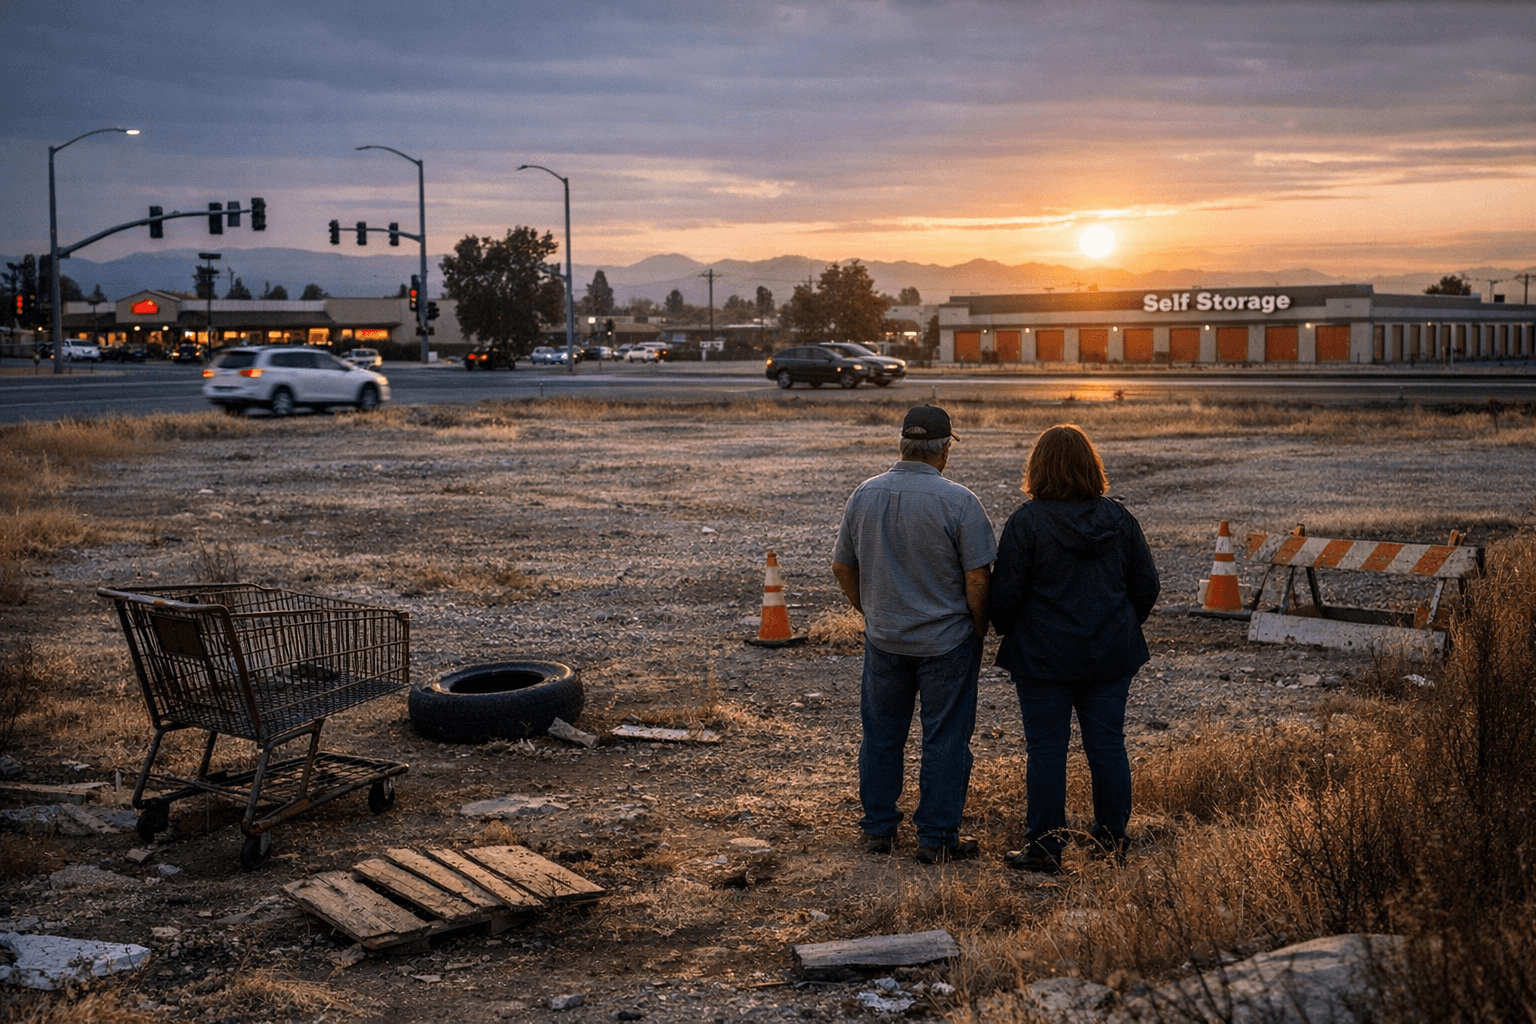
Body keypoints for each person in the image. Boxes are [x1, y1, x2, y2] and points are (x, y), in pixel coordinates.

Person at [990, 424, 1159, 873]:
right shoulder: (1119, 520)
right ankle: (1111, 843)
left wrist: (1004, 627)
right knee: (1107, 747)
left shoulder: (1026, 522)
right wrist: (1119, 626)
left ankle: (1044, 849)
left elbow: (1005, 595)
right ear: (1091, 466)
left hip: (1042, 657)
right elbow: (1147, 586)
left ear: (1038, 468)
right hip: (1109, 654)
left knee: (1046, 751)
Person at [832, 405, 996, 864]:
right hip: (946, 641)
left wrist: (871, 611)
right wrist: (979, 628)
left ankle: (879, 829)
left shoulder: (864, 494)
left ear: (902, 444)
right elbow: (979, 579)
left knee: (882, 736)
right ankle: (937, 837)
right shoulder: (959, 501)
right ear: (944, 450)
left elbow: (842, 565)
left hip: (885, 639)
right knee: (944, 739)